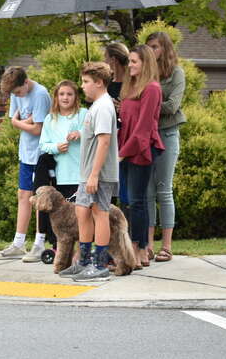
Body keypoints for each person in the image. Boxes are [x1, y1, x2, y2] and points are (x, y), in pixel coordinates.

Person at [61, 62, 119, 280]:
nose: (82, 86)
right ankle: (83, 261)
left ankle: (101, 264)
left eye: (86, 82)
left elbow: (104, 142)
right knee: (82, 211)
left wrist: (94, 174)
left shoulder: (104, 106)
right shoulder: (96, 106)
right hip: (87, 173)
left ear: (99, 83)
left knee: (100, 213)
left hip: (99, 174)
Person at [0, 66, 52, 260]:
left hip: (41, 154)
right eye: (14, 94)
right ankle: (18, 243)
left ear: (26, 82)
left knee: (39, 198)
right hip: (25, 153)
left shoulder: (41, 94)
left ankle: (39, 243)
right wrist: (22, 122)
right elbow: (15, 117)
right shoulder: (16, 92)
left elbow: (38, 129)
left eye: (18, 92)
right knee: (23, 195)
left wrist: (18, 124)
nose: (17, 96)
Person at [118, 45, 164, 268]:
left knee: (137, 201)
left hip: (141, 149)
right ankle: (139, 248)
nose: (130, 65)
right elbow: (127, 122)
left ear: (145, 63)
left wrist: (122, 153)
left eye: (134, 61)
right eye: (129, 61)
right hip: (125, 149)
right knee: (130, 200)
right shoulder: (131, 88)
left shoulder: (152, 89)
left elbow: (144, 128)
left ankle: (138, 249)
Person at [33, 80, 87, 261]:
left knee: (79, 216)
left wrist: (80, 134)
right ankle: (60, 249)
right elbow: (43, 144)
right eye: (62, 94)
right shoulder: (50, 119)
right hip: (60, 176)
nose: (65, 97)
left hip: (79, 174)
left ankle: (81, 251)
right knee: (61, 217)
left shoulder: (83, 114)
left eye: (69, 94)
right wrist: (56, 147)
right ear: (56, 97)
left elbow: (94, 133)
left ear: (75, 97)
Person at [145, 32, 186, 263]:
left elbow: (172, 106)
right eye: (148, 47)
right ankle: (148, 245)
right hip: (147, 136)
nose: (151, 51)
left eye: (155, 47)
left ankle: (167, 246)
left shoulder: (176, 73)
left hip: (167, 134)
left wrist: (147, 104)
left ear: (165, 48)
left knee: (164, 190)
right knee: (148, 193)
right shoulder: (146, 73)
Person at [104, 42, 130, 209]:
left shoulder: (131, 84)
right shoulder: (105, 85)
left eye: (105, 58)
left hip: (126, 138)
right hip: (108, 137)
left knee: (125, 184)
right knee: (108, 183)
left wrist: (123, 109)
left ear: (113, 60)